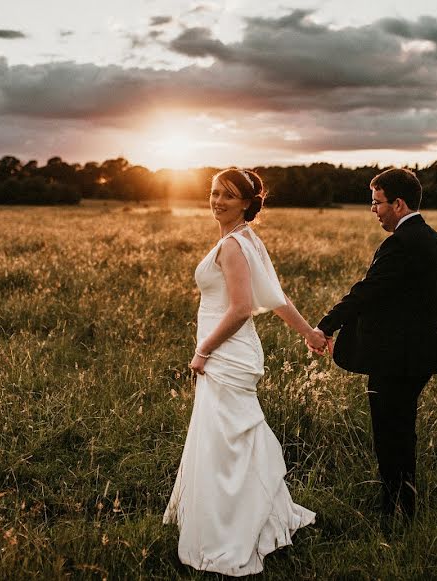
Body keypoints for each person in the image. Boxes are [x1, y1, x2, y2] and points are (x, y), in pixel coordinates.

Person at [163, 167, 324, 576]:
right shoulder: (245, 240)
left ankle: (229, 528)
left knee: (226, 439)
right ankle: (253, 513)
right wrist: (308, 332)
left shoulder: (235, 245)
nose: (217, 201)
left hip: (225, 351)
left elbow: (239, 309)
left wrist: (203, 351)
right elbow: (275, 296)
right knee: (227, 437)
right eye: (214, 192)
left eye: (228, 196)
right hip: (233, 349)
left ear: (247, 204)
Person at [315, 168, 437, 519]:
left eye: (377, 203)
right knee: (403, 434)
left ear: (398, 204)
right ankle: (405, 507)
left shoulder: (401, 243)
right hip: (419, 356)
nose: (373, 210)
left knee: (390, 438)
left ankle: (394, 513)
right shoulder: (432, 238)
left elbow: (366, 291)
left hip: (396, 361)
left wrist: (326, 325)